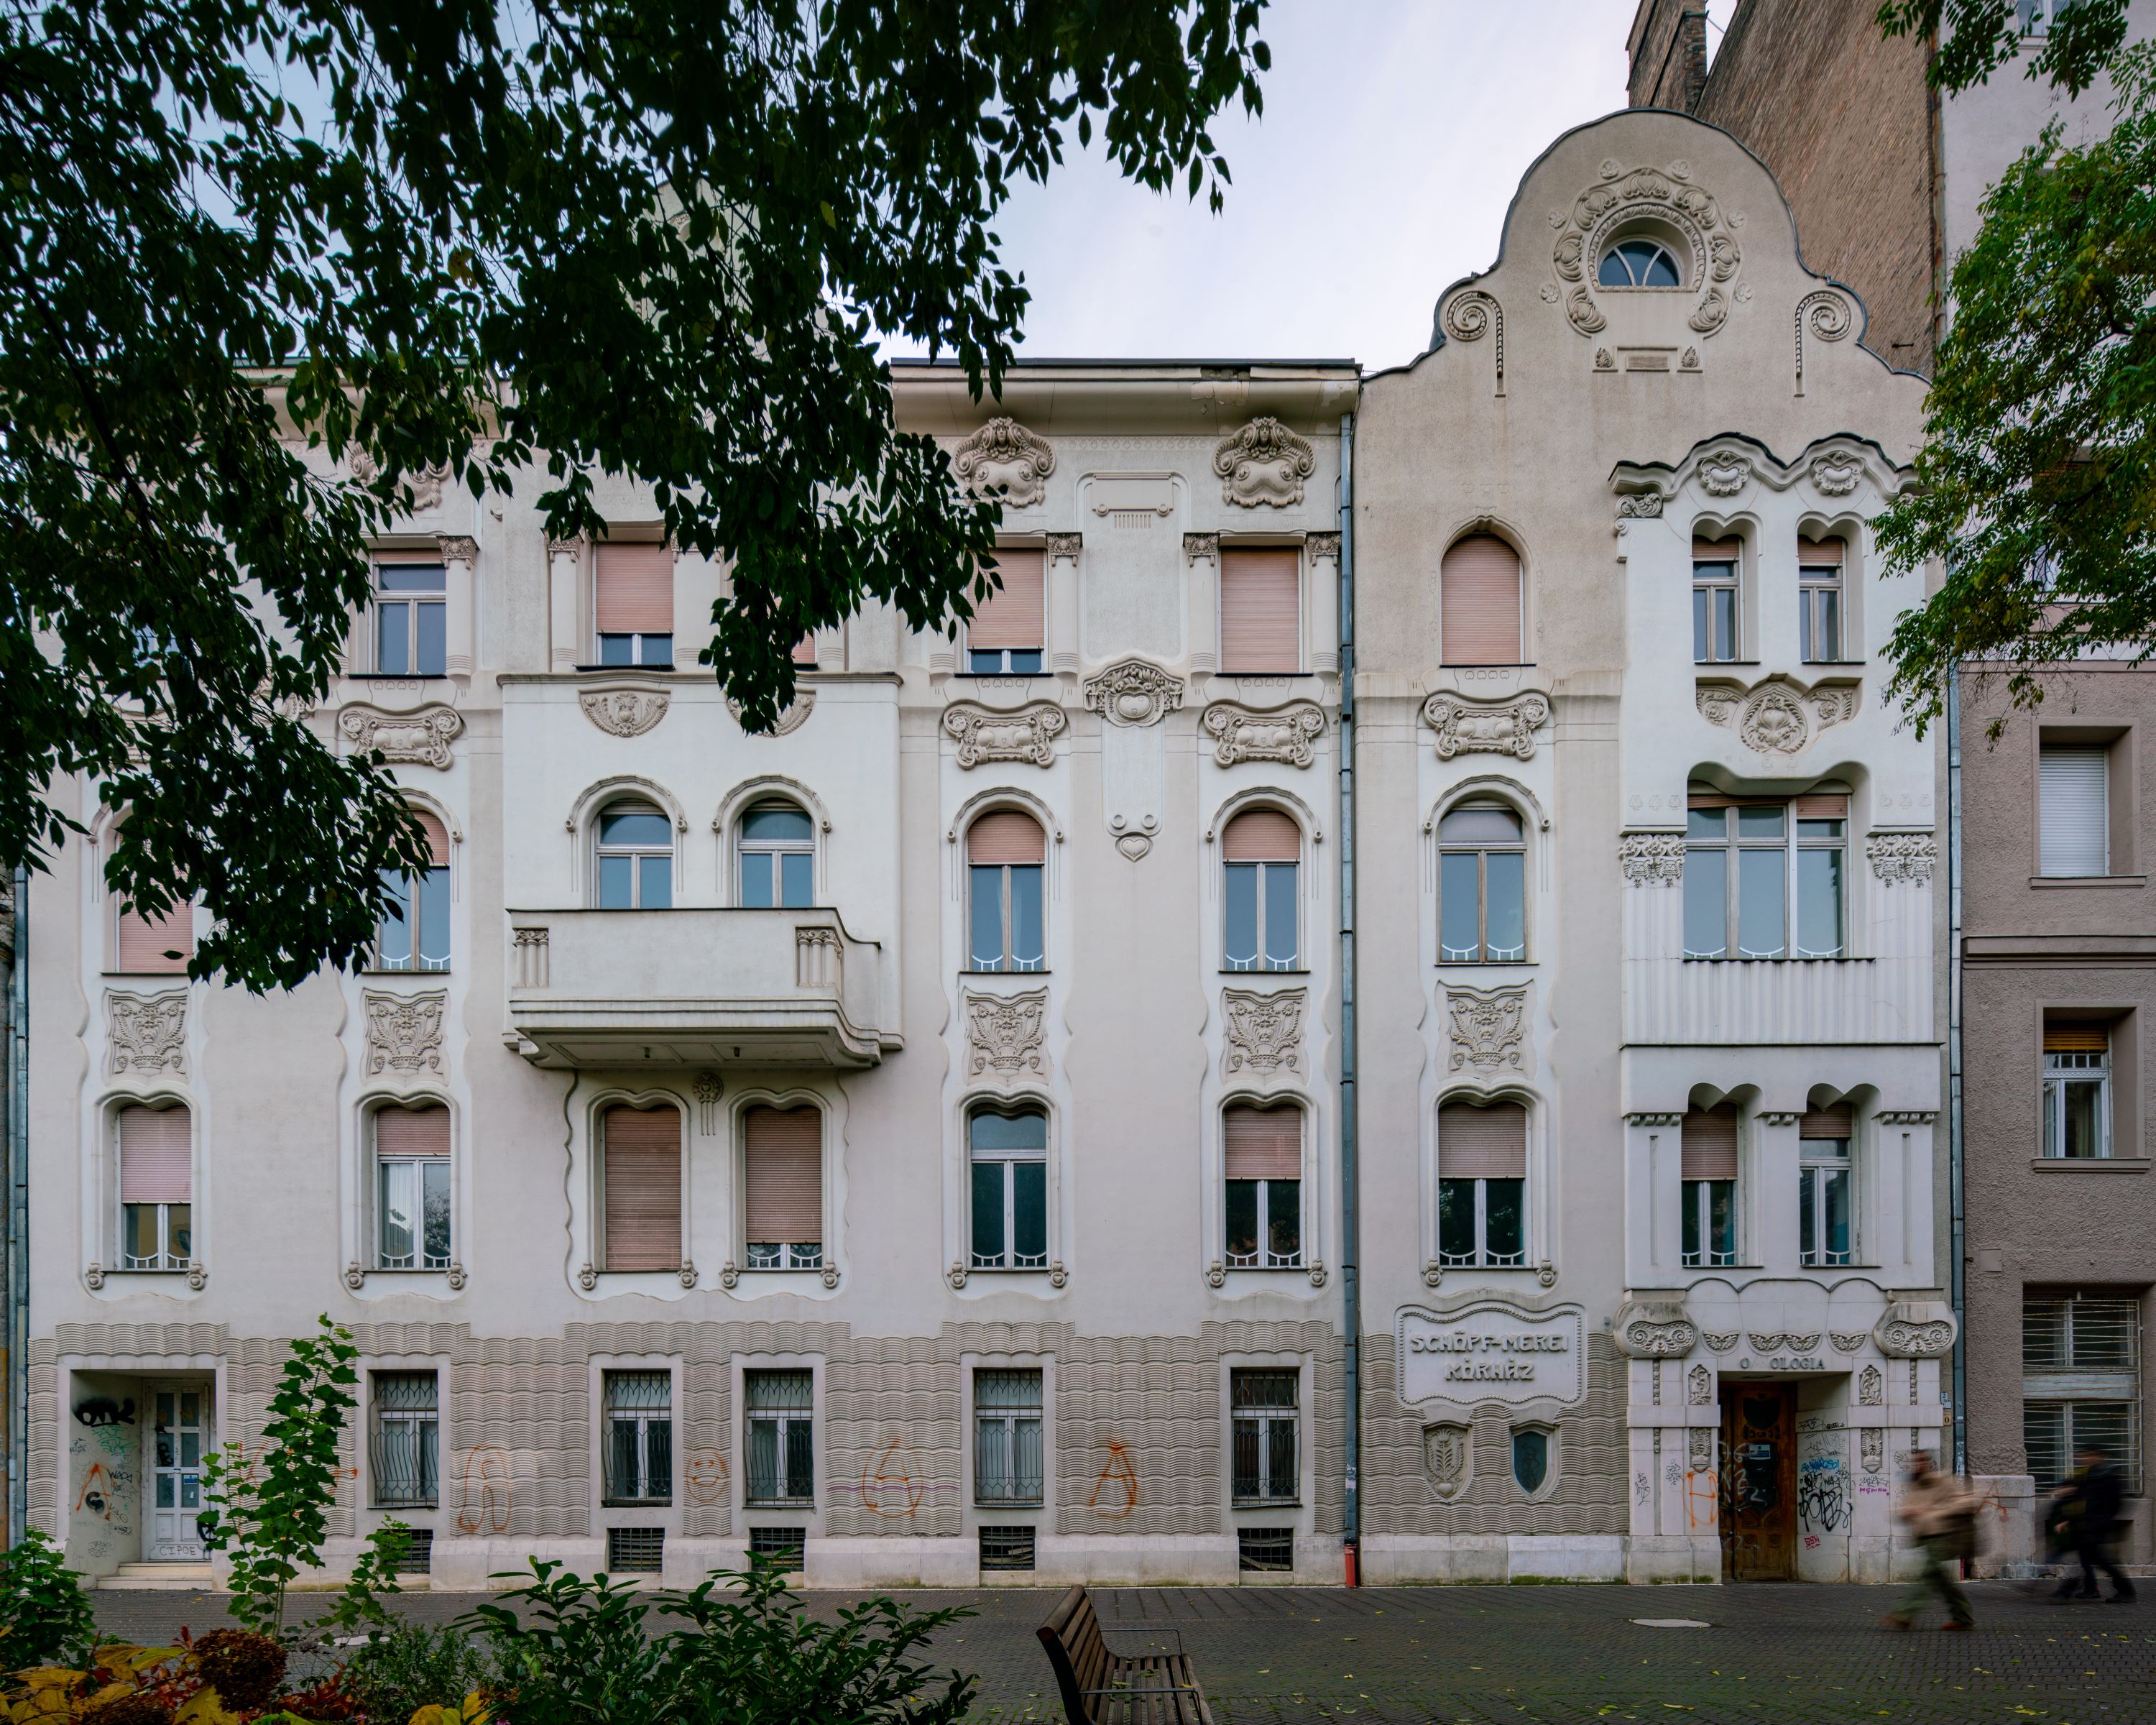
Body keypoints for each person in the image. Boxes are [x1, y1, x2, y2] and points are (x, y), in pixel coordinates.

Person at [1881, 1448, 1977, 1631]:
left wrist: (1936, 1513)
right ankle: (1963, 1617)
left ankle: (1905, 1614)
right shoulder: (1915, 1485)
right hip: (1925, 1538)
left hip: (1943, 1536)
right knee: (1941, 1581)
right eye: (1915, 1462)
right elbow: (1909, 1509)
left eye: (1921, 1461)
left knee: (1928, 1574)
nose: (1917, 1465)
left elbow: (1965, 1502)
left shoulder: (1941, 1482)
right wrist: (1905, 1513)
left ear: (1927, 1463)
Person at [2051, 1443, 2137, 1604]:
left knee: (2098, 1560)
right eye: (2083, 1456)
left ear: (2099, 1457)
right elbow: (2077, 1498)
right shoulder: (2086, 1475)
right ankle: (2096, 1590)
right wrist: (2066, 1518)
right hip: (2083, 1525)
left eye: (2089, 1456)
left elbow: (2116, 1503)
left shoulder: (2109, 1476)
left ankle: (2067, 1591)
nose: (2085, 1459)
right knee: (2091, 1559)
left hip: (2097, 1526)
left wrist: (2101, 1520)